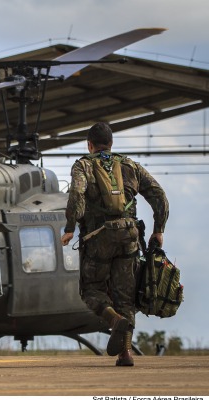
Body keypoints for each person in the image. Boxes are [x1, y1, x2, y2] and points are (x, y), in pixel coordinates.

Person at [61, 122, 169, 367]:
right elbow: (159, 196)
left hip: (98, 238)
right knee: (126, 296)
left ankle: (113, 321)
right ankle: (126, 353)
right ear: (111, 144)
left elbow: (77, 195)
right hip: (129, 237)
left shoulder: (84, 164)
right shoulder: (130, 165)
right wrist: (158, 230)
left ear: (89, 145)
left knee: (90, 290)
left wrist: (69, 228)